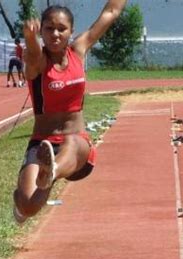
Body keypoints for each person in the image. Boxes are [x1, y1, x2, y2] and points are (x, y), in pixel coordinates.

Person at [12, 1, 127, 224]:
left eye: (61, 29)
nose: (55, 34)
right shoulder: (38, 62)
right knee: (28, 207)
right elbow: (34, 54)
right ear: (41, 31)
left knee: (72, 141)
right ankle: (27, 191)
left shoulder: (79, 50)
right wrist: (29, 36)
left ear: (71, 31)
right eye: (49, 29)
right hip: (42, 143)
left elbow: (111, 12)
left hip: (77, 146)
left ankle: (51, 170)